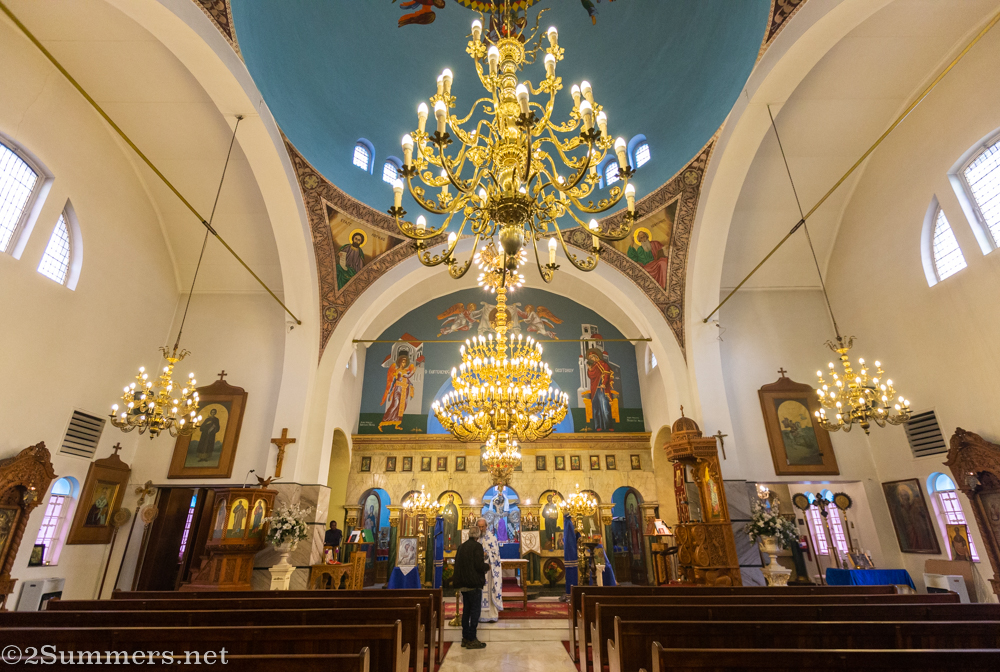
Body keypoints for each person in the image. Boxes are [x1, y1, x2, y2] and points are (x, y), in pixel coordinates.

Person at [454, 524, 489, 649]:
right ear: (478, 536)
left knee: (466, 611)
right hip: (474, 585)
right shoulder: (477, 546)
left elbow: (457, 564)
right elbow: (479, 566)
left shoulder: (461, 547)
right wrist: (487, 566)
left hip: (463, 585)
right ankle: (472, 639)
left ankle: (465, 638)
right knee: (475, 612)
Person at [477, 517, 503, 622]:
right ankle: (478, 615)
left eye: (482, 526)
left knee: (488, 591)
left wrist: (486, 554)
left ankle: (491, 615)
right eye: (479, 527)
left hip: (488, 570)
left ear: (486, 526)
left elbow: (496, 554)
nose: (481, 529)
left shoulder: (492, 537)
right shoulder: (475, 538)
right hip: (478, 571)